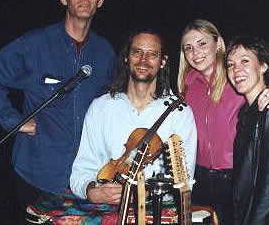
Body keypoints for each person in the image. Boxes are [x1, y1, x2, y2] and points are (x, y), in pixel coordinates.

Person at [0, 0, 115, 221]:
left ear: (100, 1)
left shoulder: (105, 52)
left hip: (85, 176)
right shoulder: (35, 44)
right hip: (37, 173)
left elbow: (113, 104)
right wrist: (13, 121)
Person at [177, 19, 269, 225]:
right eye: (188, 47)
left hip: (234, 178)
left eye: (202, 43)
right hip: (200, 178)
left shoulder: (237, 75)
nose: (195, 52)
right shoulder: (188, 86)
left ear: (218, 44)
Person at [70, 28, 197, 206]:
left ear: (163, 61)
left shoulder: (180, 112)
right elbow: (83, 169)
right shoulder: (101, 107)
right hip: (108, 209)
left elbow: (185, 180)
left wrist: (143, 195)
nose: (143, 60)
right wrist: (91, 191)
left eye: (152, 54)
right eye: (137, 52)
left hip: (157, 210)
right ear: (126, 58)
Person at [226, 36, 269, 225]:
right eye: (230, 65)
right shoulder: (247, 113)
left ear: (263, 66)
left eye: (245, 61)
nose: (236, 70)